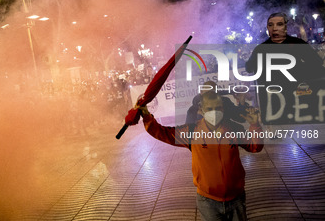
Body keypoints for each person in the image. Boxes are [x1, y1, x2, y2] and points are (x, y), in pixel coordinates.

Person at [137, 88, 264, 221]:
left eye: (218, 108)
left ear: (224, 109)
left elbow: (255, 147)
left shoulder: (234, 129)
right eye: (209, 109)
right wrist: (146, 115)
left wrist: (255, 125)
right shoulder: (191, 132)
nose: (214, 112)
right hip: (208, 201)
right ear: (201, 110)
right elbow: (162, 132)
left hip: (236, 197)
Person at [245, 12, 325, 124]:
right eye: (271, 25)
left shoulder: (297, 44)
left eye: (279, 24)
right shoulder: (260, 49)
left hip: (298, 107)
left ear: (285, 27)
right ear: (267, 28)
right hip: (273, 110)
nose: (275, 28)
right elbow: (249, 68)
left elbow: (316, 64)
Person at [185, 81, 250, 124]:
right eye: (207, 94)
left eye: (213, 93)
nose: (210, 97)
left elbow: (241, 118)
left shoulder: (225, 103)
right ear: (201, 93)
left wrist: (242, 102)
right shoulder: (194, 109)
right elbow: (189, 133)